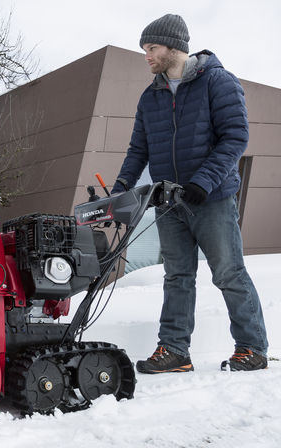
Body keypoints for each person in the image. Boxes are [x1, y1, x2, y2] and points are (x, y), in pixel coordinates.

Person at [111, 13, 268, 373]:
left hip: (212, 198)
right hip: (170, 201)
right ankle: (175, 351)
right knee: (177, 276)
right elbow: (139, 150)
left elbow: (235, 138)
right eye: (144, 49)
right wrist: (121, 187)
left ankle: (252, 347)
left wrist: (204, 182)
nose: (146, 55)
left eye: (152, 48)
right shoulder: (150, 96)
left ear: (174, 47)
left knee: (228, 272)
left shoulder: (218, 82)